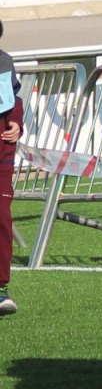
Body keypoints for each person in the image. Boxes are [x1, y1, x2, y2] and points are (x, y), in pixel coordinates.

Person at [0, 21, 17, 317]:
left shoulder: (4, 63)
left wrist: (17, 124)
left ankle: (0, 287)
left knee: (1, 219)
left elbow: (14, 101)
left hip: (1, 156)